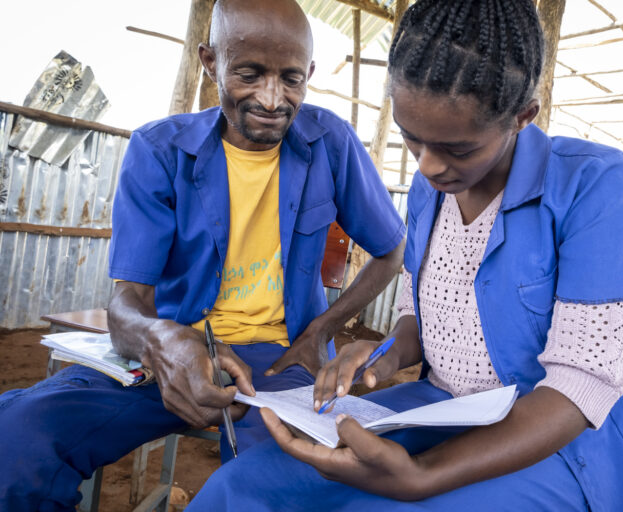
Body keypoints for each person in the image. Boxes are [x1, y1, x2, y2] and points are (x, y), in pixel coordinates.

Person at [186, 0, 623, 510]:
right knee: (243, 487)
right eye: (411, 139)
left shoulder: (596, 185)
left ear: (522, 117)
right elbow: (420, 316)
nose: (427, 166)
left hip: (562, 440)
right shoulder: (431, 193)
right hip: (441, 408)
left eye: (458, 149)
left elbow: (582, 386)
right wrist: (385, 354)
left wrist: (422, 475)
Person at [0, 0, 406, 510]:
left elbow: (392, 251)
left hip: (281, 362)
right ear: (210, 62)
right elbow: (126, 307)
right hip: (173, 352)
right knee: (16, 438)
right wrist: (163, 341)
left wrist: (319, 333)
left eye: (291, 79)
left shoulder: (331, 143)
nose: (272, 98)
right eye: (249, 74)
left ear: (309, 74)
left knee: (275, 486)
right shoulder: (159, 150)